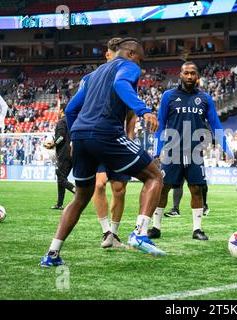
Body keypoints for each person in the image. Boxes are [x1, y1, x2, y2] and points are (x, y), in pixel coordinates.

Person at [40, 38, 165, 267]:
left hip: (80, 136)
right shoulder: (127, 66)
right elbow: (120, 85)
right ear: (129, 52)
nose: (140, 64)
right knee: (154, 176)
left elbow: (71, 109)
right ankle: (139, 233)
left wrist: (76, 135)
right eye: (140, 59)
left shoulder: (92, 76)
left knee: (80, 197)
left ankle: (52, 254)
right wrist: (144, 111)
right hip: (106, 133)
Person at [147, 61, 230, 240]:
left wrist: (226, 147)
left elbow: (215, 124)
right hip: (171, 150)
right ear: (181, 75)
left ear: (197, 76)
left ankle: (197, 229)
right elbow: (160, 125)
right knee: (163, 189)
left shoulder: (205, 98)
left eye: (193, 73)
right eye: (187, 73)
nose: (190, 76)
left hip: (195, 151)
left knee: (196, 189)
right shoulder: (168, 96)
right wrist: (157, 151)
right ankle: (155, 227)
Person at [87, 37, 137, 249]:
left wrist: (130, 137)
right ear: (107, 55)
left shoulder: (124, 75)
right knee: (98, 184)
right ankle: (105, 230)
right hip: (97, 138)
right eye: (111, 55)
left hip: (117, 139)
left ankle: (114, 234)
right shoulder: (93, 78)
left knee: (119, 188)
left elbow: (131, 112)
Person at [45, 104, 75, 210]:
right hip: (74, 153)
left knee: (60, 177)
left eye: (59, 110)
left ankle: (76, 190)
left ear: (62, 110)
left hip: (64, 154)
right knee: (61, 178)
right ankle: (59, 203)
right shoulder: (73, 120)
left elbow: (60, 137)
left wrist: (52, 145)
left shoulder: (62, 121)